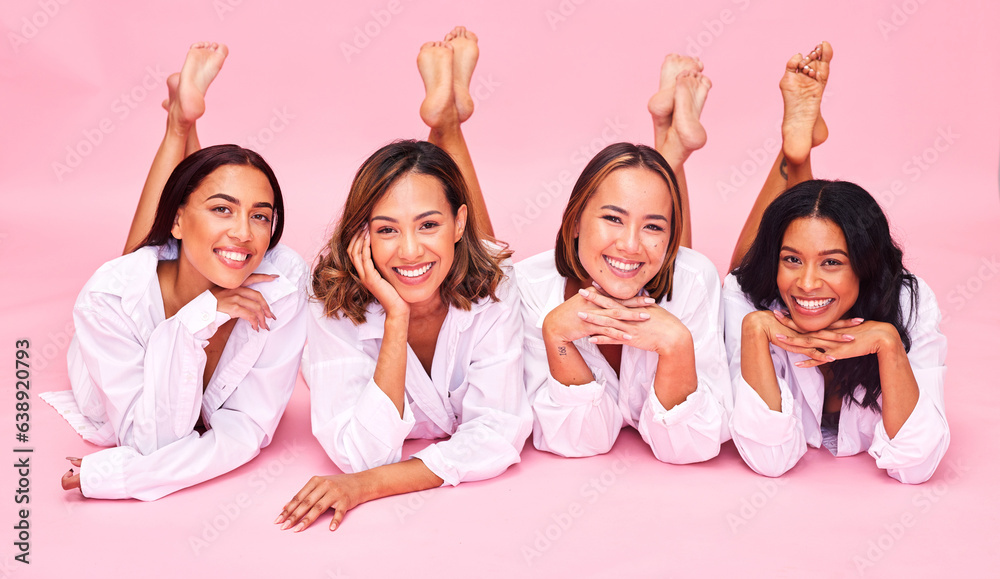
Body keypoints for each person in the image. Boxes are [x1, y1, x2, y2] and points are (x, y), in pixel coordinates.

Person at [276, 28, 531, 533]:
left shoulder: (498, 288)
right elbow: (358, 452)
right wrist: (395, 318)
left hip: (475, 262)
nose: (408, 248)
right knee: (448, 251)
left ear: (457, 222)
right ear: (361, 236)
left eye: (429, 226)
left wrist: (369, 487)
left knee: (482, 258)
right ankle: (447, 119)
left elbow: (499, 436)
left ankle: (447, 122)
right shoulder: (327, 304)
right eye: (385, 230)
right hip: (444, 263)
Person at [41, 43, 308, 500]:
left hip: (180, 258)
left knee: (202, 236)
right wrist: (199, 317)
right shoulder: (108, 300)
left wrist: (117, 477)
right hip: (112, 359)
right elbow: (149, 440)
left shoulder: (282, 282)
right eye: (225, 209)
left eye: (262, 216)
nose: (247, 232)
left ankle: (183, 123)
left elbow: (245, 432)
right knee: (136, 265)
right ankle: (178, 127)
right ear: (177, 222)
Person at [724, 43, 949, 483]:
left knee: (787, 241)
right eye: (791, 260)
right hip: (752, 287)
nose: (807, 283)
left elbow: (917, 464)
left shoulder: (908, 300)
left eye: (832, 263)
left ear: (864, 265)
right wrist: (753, 331)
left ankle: (796, 155)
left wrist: (888, 343)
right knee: (744, 273)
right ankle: (794, 156)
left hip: (877, 315)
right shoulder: (750, 299)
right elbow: (769, 459)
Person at [514, 57, 731, 461]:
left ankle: (671, 145)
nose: (630, 244)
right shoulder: (528, 286)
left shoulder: (695, 278)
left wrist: (677, 345)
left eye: (654, 227)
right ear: (576, 220)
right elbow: (581, 441)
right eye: (612, 218)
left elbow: (690, 447)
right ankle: (671, 145)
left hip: (678, 275)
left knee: (677, 269)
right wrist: (557, 335)